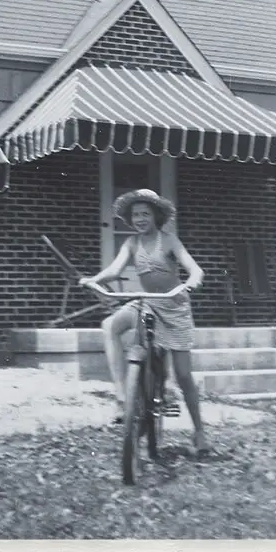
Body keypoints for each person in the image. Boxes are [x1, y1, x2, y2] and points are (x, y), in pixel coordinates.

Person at [79, 188, 209, 455]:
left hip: (174, 306)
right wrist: (94, 280)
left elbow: (194, 268)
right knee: (110, 326)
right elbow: (114, 270)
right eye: (136, 214)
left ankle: (199, 432)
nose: (140, 219)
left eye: (145, 214)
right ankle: (122, 398)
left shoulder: (169, 240)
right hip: (147, 302)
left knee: (184, 375)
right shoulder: (131, 243)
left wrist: (192, 281)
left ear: (156, 216)